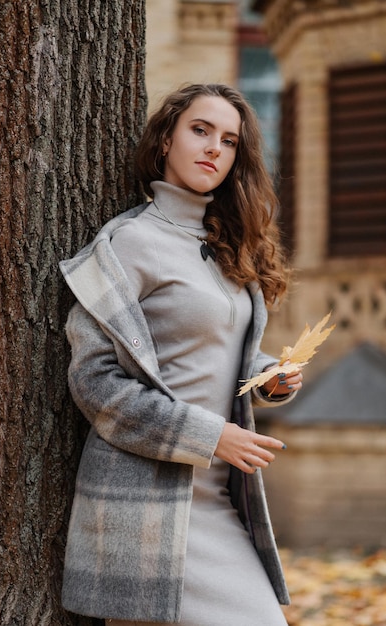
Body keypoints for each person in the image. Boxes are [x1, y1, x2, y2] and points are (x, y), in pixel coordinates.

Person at [59, 83, 303, 626]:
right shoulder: (127, 243)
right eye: (200, 130)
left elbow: (212, 351)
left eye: (230, 140)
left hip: (219, 498)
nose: (215, 147)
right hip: (147, 508)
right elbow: (97, 385)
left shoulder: (224, 246)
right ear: (166, 138)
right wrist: (210, 435)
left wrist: (266, 376)